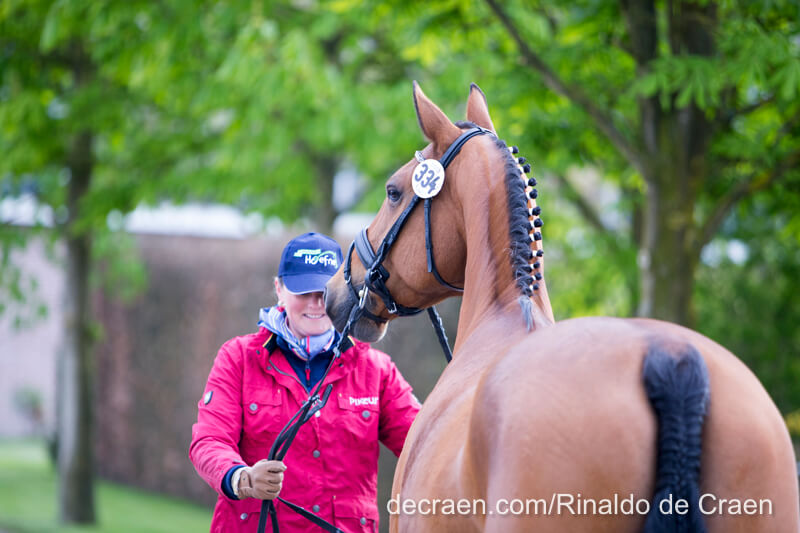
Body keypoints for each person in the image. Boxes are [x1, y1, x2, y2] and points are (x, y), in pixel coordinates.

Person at [190, 232, 421, 532]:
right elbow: (210, 441)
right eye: (303, 292)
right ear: (279, 289)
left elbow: (424, 443)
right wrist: (242, 478)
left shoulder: (377, 370)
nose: (315, 304)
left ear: (343, 292)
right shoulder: (238, 358)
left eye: (324, 292)